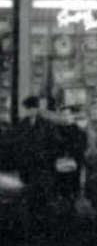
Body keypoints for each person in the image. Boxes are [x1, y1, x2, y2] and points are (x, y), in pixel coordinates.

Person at [12, 96, 59, 224]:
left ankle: (44, 223)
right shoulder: (22, 124)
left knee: (44, 196)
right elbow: (16, 144)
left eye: (32, 108)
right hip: (27, 167)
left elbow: (55, 145)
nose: (30, 111)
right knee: (28, 196)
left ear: (37, 109)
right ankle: (30, 223)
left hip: (43, 167)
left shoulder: (47, 124)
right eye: (28, 109)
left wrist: (47, 158)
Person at [52, 105, 87, 217]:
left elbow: (81, 149)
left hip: (73, 169)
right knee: (59, 195)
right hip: (57, 169)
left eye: (67, 114)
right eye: (62, 115)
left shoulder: (79, 132)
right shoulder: (54, 130)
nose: (65, 117)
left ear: (73, 116)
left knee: (71, 195)